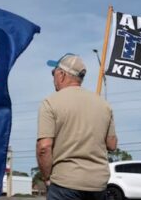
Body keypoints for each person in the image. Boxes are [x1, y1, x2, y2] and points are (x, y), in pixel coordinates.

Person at [36, 53, 117, 200]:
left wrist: (47, 178)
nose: (53, 77)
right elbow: (112, 144)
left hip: (65, 184)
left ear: (61, 75)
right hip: (98, 185)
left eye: (53, 73)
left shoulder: (50, 103)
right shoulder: (104, 104)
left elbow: (44, 148)